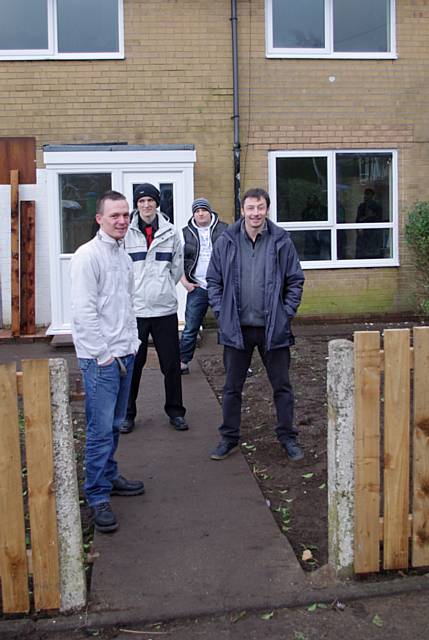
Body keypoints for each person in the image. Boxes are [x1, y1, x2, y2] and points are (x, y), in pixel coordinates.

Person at [207, 187, 305, 461]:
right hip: (236, 329)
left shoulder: (281, 240)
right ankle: (229, 437)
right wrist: (221, 311)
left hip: (273, 328)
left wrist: (285, 314)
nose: (255, 213)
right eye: (250, 208)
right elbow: (213, 281)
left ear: (267, 209)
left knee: (282, 387)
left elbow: (295, 280)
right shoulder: (226, 240)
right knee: (231, 388)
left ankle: (287, 437)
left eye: (260, 207)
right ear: (242, 210)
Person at [70, 190, 144, 534]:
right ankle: (97, 495)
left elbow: (126, 305)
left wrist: (133, 344)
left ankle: (110, 477)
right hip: (101, 359)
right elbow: (84, 313)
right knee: (100, 431)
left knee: (114, 424)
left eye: (126, 215)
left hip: (124, 353)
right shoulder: (88, 256)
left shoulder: (123, 256)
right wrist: (104, 356)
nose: (122, 220)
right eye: (115, 215)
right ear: (99, 218)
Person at [120, 183, 188, 434]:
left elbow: (177, 268)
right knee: (133, 365)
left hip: (164, 310)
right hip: (135, 312)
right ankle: (127, 414)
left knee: (170, 365)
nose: (146, 205)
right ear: (136, 205)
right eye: (141, 201)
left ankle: (176, 412)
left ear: (157, 203)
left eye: (150, 200)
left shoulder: (171, 232)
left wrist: (160, 288)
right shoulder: (126, 232)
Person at [179, 197, 228, 374]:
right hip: (197, 286)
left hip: (220, 287)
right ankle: (183, 362)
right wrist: (185, 283)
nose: (200, 214)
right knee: (190, 327)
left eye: (203, 210)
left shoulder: (224, 229)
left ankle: (236, 364)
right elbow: (177, 260)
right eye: (197, 211)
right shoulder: (185, 232)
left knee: (228, 326)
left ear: (210, 212)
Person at [355, 188, 384, 258]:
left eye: (368, 195)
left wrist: (371, 216)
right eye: (365, 195)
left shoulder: (377, 207)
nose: (366, 197)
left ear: (372, 196)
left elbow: (379, 220)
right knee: (361, 250)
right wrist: (359, 229)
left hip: (373, 233)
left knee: (373, 251)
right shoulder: (361, 206)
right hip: (363, 233)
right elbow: (358, 220)